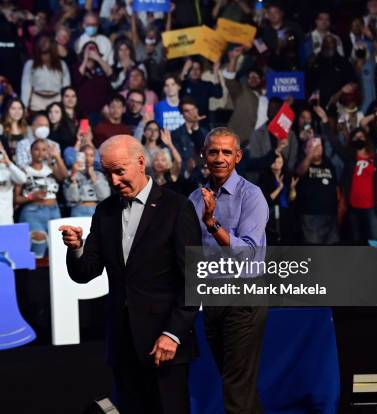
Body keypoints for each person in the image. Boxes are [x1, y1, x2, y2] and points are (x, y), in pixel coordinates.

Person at [59, 135, 201, 414]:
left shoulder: (177, 207)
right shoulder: (105, 212)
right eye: (107, 173)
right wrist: (76, 249)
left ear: (140, 162)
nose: (113, 181)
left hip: (165, 344)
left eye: (119, 172)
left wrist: (173, 334)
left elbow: (193, 280)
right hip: (123, 346)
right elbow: (86, 272)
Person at [188, 127, 269, 414]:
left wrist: (212, 223)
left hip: (243, 296)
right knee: (237, 384)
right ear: (203, 155)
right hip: (213, 299)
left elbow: (248, 253)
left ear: (238, 156)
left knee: (236, 387)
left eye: (226, 152)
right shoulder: (194, 199)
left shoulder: (252, 196)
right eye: (213, 151)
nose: (219, 158)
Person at [15, 138, 68, 258]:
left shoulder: (50, 168)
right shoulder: (23, 170)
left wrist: (57, 157)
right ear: (30, 151)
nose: (40, 153)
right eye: (36, 149)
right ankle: (35, 276)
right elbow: (16, 198)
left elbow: (64, 176)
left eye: (44, 149)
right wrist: (31, 197)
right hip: (33, 212)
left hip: (54, 211)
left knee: (56, 249)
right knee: (38, 246)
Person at [63, 144, 110, 217]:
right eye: (85, 155)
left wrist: (93, 177)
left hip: (97, 210)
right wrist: (73, 178)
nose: (88, 158)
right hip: (78, 210)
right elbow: (72, 199)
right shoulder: (71, 173)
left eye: (91, 156)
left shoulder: (99, 175)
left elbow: (105, 197)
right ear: (79, 156)